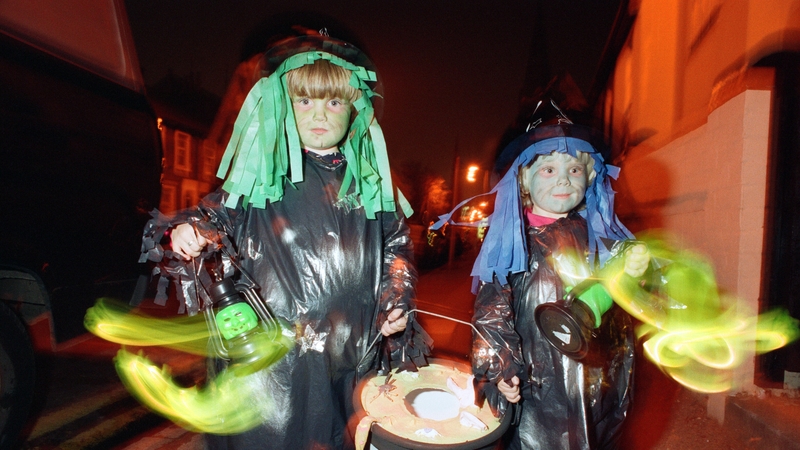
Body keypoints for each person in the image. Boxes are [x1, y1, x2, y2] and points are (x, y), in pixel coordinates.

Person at [139, 31, 428, 449]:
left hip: (346, 358)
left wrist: (395, 296)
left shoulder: (370, 182)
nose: (320, 114)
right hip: (270, 364)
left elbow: (396, 248)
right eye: (304, 100)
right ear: (282, 105)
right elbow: (215, 214)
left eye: (334, 101)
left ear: (354, 108)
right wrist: (191, 231)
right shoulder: (260, 174)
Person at [431, 101, 648, 449]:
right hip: (538, 389)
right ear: (524, 180)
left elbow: (620, 287)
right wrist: (500, 367)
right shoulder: (513, 242)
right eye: (548, 169)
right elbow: (492, 313)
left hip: (594, 386)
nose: (563, 179)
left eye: (574, 170)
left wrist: (632, 263)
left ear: (590, 176)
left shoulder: (597, 236)